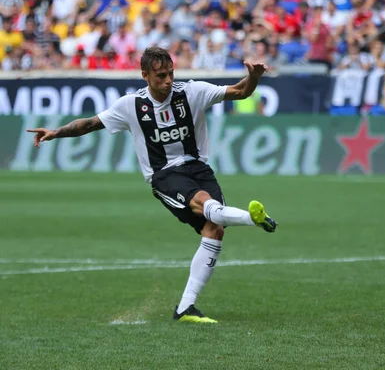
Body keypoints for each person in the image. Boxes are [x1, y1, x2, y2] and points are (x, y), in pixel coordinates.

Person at [26, 47, 277, 324]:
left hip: (198, 167)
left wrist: (253, 76)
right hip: (164, 175)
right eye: (160, 76)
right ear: (145, 75)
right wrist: (55, 132)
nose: (168, 80)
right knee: (206, 204)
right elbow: (89, 124)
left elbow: (241, 92)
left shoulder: (191, 92)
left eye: (170, 73)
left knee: (214, 229)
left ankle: (185, 309)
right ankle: (255, 219)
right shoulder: (131, 105)